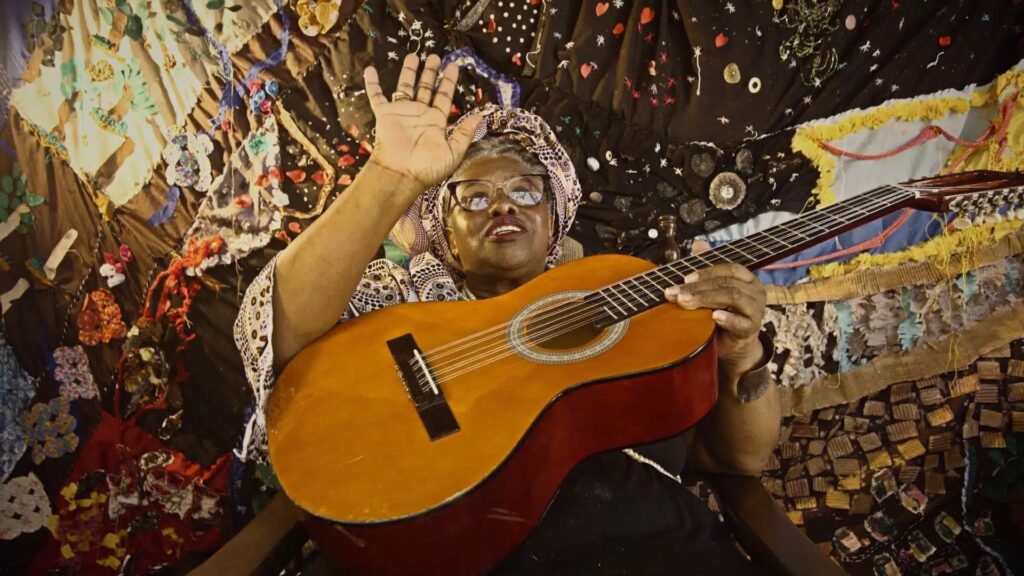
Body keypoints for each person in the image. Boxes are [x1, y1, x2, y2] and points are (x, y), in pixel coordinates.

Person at [234, 53, 781, 575]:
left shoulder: (635, 304)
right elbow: (273, 329)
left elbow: (738, 462)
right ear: (443, 231)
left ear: (555, 214)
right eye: (473, 197)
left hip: (654, 550)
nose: (503, 206)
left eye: (526, 190)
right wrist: (390, 176)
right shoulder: (396, 299)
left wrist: (743, 355)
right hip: (453, 548)